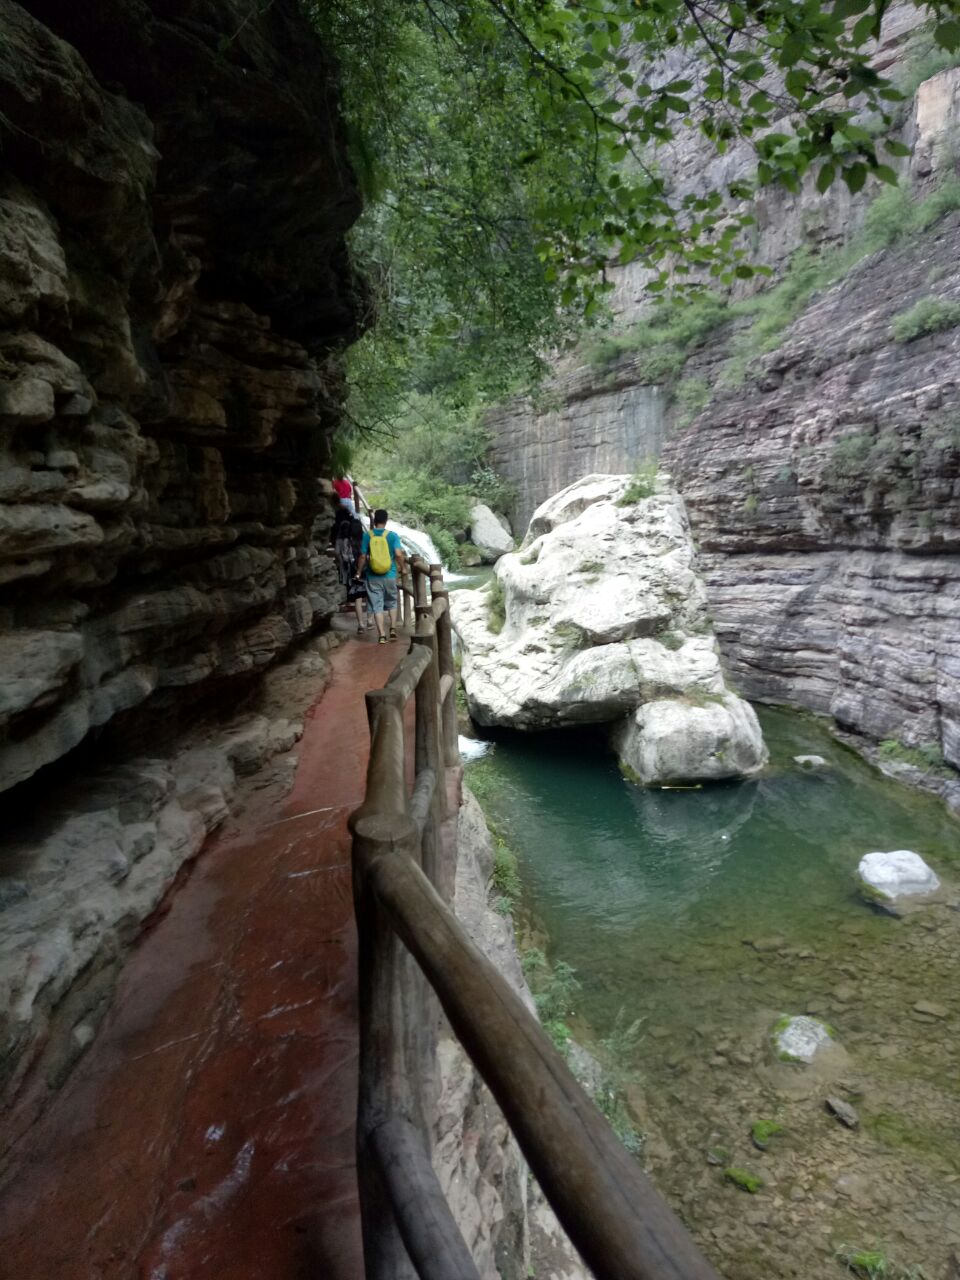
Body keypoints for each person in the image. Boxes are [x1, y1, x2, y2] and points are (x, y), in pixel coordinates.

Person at [357, 508, 406, 643]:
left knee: (377, 605)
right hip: (389, 574)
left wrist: (359, 571)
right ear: (386, 520)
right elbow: (398, 554)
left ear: (374, 520)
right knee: (391, 602)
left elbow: (362, 556)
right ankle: (393, 629)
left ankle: (382, 636)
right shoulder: (392, 535)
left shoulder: (367, 535)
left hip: (372, 576)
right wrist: (403, 568)